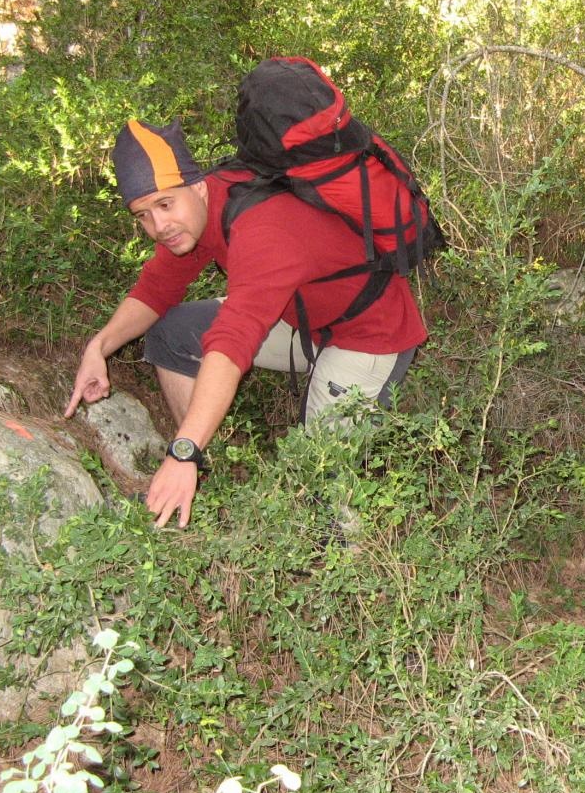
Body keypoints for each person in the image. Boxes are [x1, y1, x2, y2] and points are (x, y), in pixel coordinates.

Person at [65, 118, 427, 529]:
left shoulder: (259, 227)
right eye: (143, 215)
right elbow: (156, 289)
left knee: (322, 482)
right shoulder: (202, 206)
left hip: (368, 333)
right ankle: (207, 481)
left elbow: (232, 340)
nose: (158, 226)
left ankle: (352, 570)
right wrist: (99, 347)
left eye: (165, 205)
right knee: (172, 335)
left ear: (197, 186)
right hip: (300, 316)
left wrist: (182, 450)